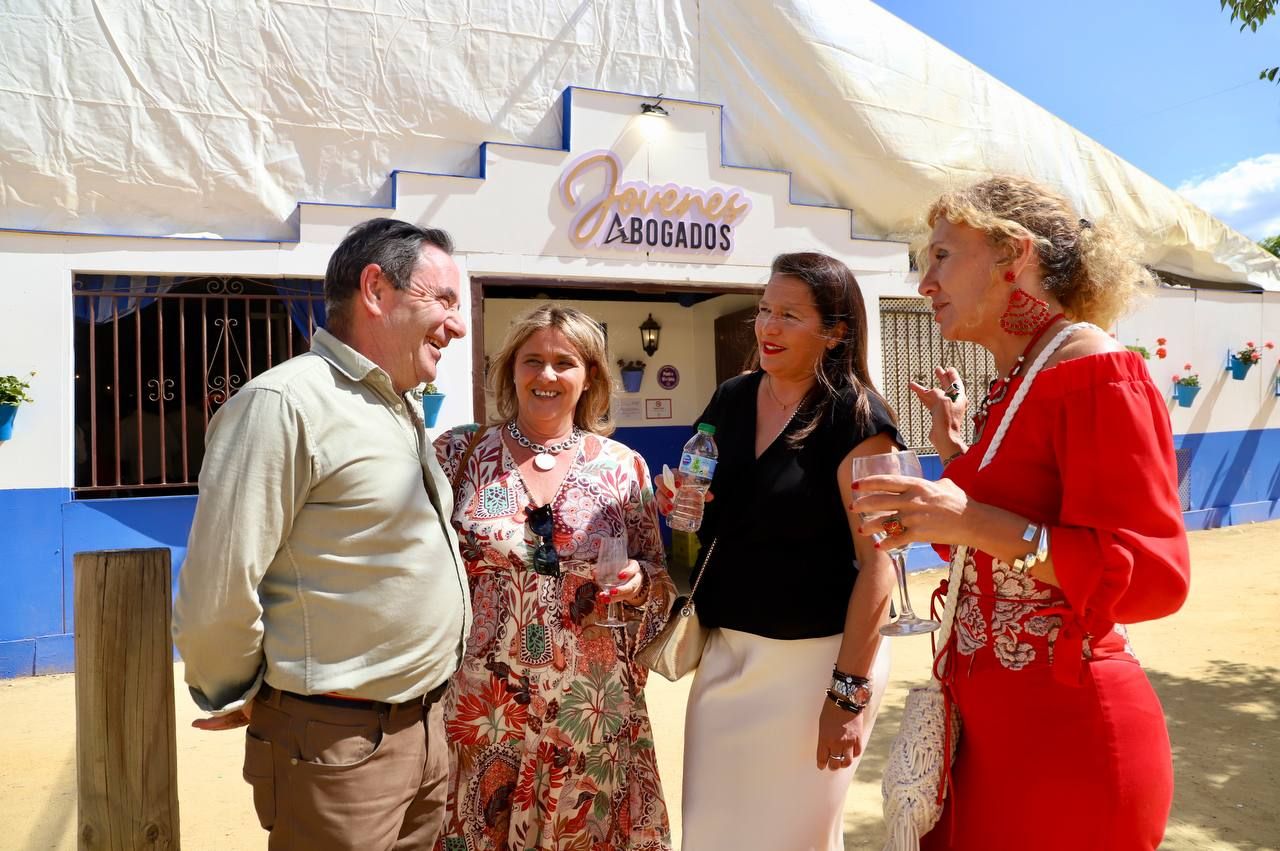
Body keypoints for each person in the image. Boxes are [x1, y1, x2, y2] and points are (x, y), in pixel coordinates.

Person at [851, 176, 1191, 850]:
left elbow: (1155, 576)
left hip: (1068, 742)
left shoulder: (1094, 369)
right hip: (989, 736)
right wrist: (952, 500)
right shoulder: (1016, 383)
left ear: (1015, 254)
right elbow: (997, 557)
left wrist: (970, 517)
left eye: (942, 256)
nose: (925, 283)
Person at [173, 217, 472, 851]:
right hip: (337, 748)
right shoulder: (284, 404)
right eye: (443, 299)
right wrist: (246, 691)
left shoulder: (398, 407)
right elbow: (219, 587)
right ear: (376, 289)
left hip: (423, 734)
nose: (459, 324)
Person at [655, 252, 901, 850]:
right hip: (725, 656)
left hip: (815, 666)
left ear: (835, 330)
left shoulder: (858, 419)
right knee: (712, 835)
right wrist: (683, 511)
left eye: (789, 315)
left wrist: (846, 695)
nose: (767, 327)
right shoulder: (732, 398)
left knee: (796, 839)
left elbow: (880, 565)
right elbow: (709, 506)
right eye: (764, 310)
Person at [432, 304, 677, 851]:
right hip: (483, 707)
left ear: (589, 375)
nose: (547, 375)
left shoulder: (622, 467)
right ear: (509, 370)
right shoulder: (458, 455)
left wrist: (641, 581)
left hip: (592, 707)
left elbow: (659, 579)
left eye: (564, 362)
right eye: (532, 360)